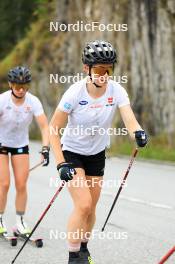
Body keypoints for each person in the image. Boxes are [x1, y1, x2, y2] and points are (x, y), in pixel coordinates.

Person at [49, 40, 148, 264]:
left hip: (96, 154)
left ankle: (83, 248)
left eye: (109, 70)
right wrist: (60, 163)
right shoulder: (74, 93)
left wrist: (139, 133)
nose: (104, 75)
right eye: (99, 70)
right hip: (72, 153)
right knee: (83, 204)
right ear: (87, 69)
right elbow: (53, 129)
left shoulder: (117, 91)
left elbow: (130, 121)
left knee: (91, 208)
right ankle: (73, 256)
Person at [0, 66, 50, 236]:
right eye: (17, 86)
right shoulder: (2, 100)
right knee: (4, 183)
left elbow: (44, 126)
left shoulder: (33, 101)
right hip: (1, 144)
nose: (21, 90)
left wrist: (45, 148)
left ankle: (20, 222)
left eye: (24, 86)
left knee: (21, 184)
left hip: (20, 145)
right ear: (10, 85)